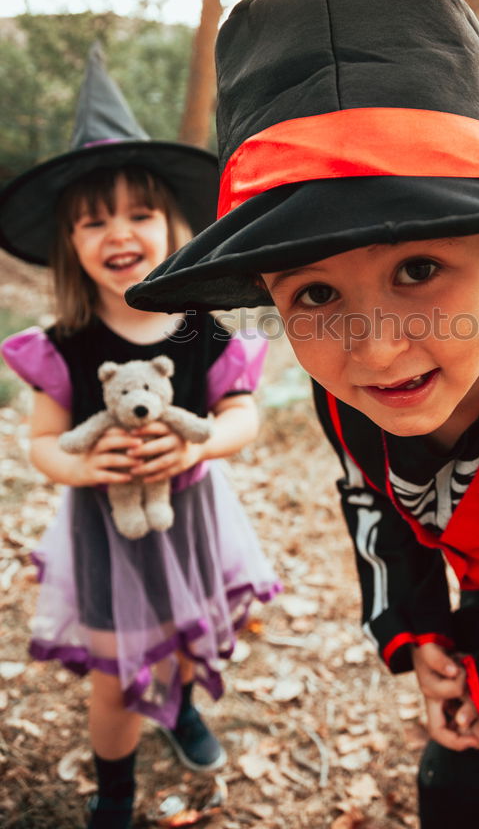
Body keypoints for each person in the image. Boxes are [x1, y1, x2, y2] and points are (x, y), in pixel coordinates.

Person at [126, 0, 479, 827]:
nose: (374, 351)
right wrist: (417, 637)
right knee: (454, 795)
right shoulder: (345, 398)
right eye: (315, 293)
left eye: (418, 269)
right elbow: (375, 504)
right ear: (268, 296)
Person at [0, 45, 280, 829]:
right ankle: (115, 793)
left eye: (139, 213)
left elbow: (242, 414)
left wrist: (198, 447)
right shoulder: (63, 344)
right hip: (103, 529)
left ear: (173, 227)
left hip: (192, 516)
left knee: (187, 639)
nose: (118, 232)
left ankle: (183, 709)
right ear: (70, 244)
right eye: (93, 221)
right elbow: (43, 443)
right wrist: (81, 469)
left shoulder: (203, 330)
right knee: (116, 673)